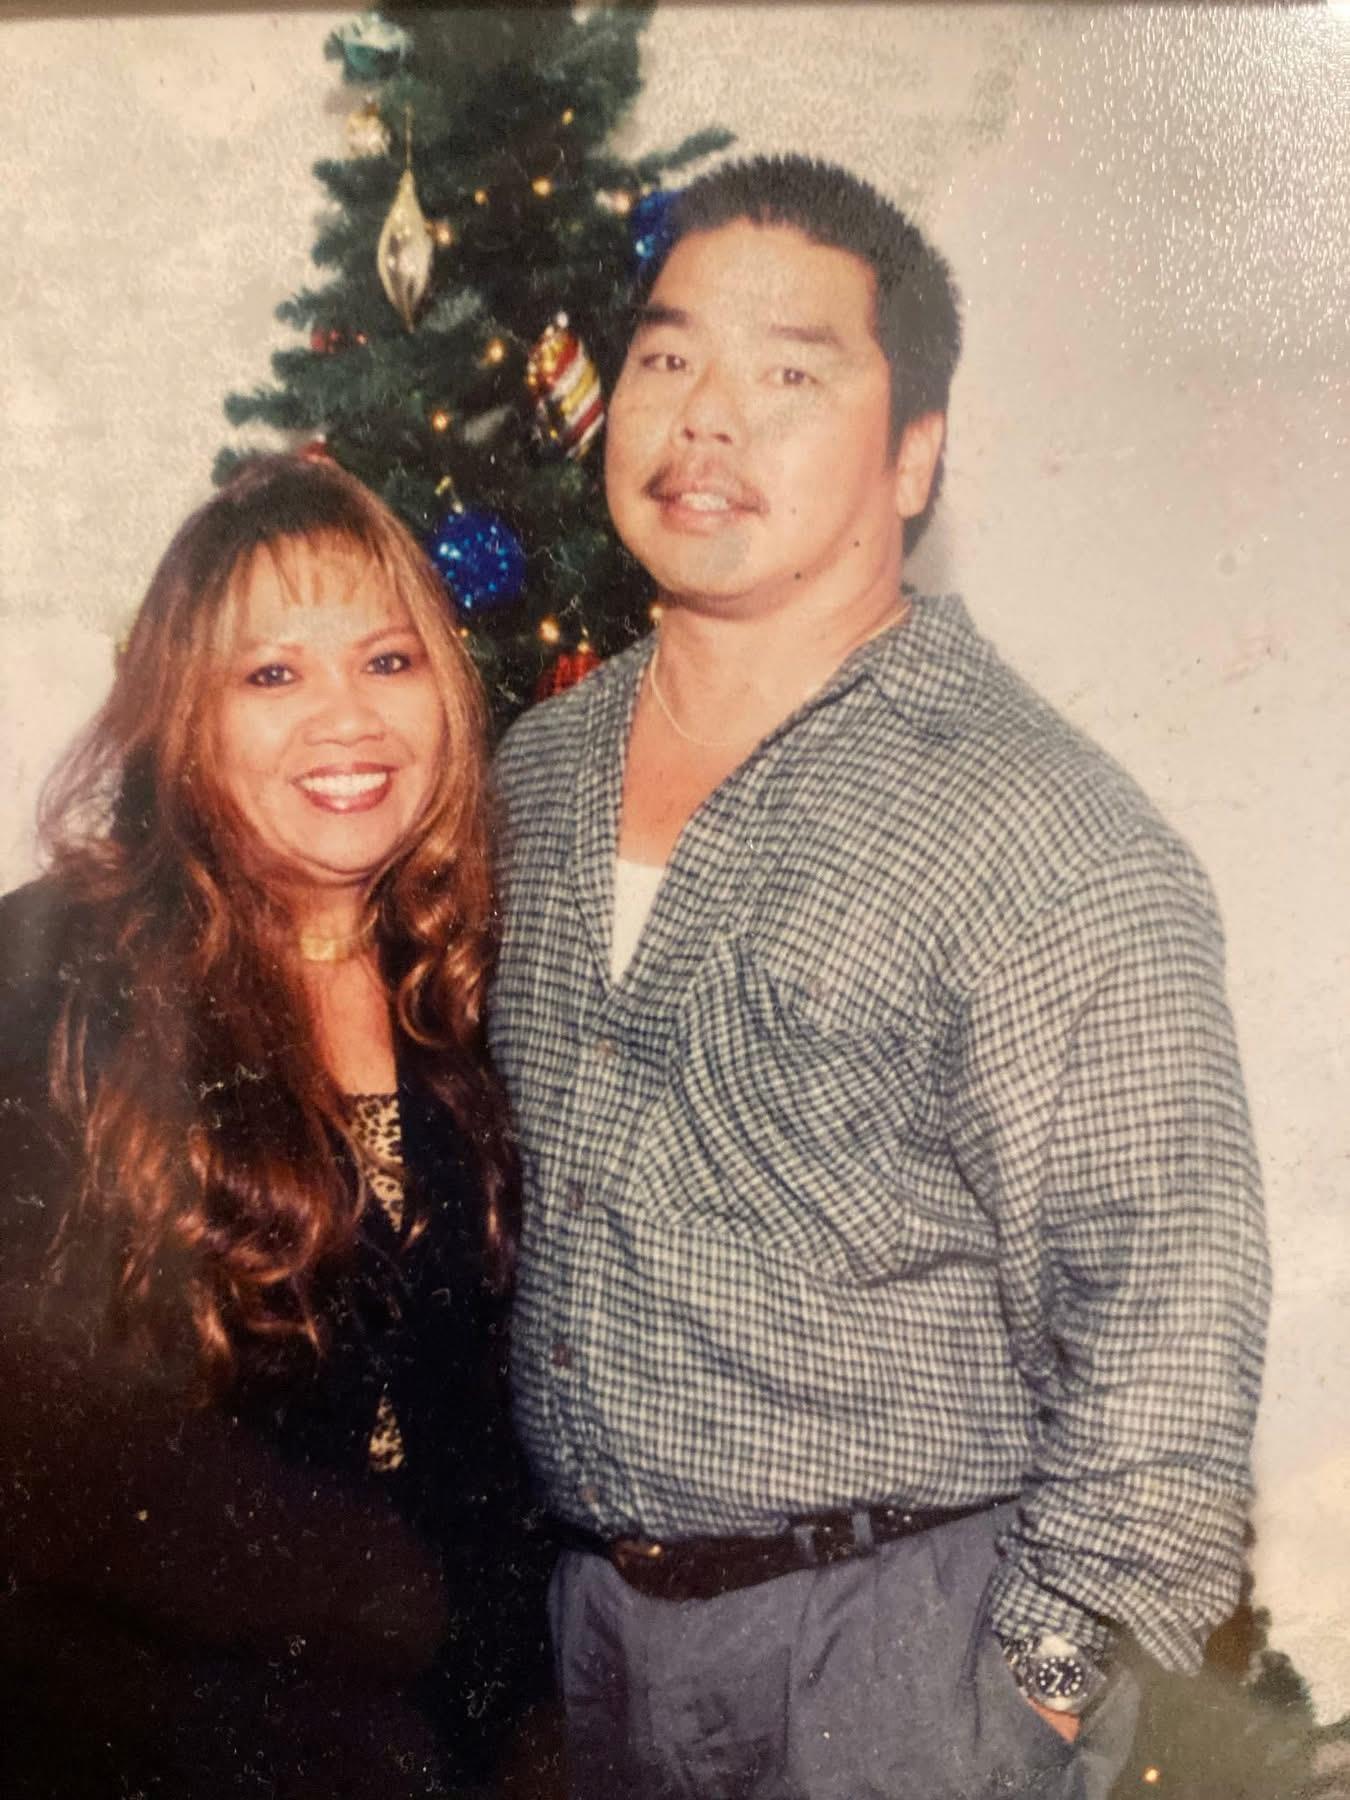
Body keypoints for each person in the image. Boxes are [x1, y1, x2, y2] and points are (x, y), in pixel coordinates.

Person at [489, 156, 1270, 1799]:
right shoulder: (532, 777)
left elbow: (1166, 1342)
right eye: (667, 357)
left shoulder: (1039, 829)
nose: (706, 420)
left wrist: (1029, 1707)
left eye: (789, 375)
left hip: (904, 1660)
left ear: (913, 456)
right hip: (594, 1644)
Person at [0, 454, 547, 1799]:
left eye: (386, 660)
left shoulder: (477, 977)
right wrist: (378, 1602)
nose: (346, 720)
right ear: (183, 715)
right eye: (272, 675)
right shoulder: (50, 975)